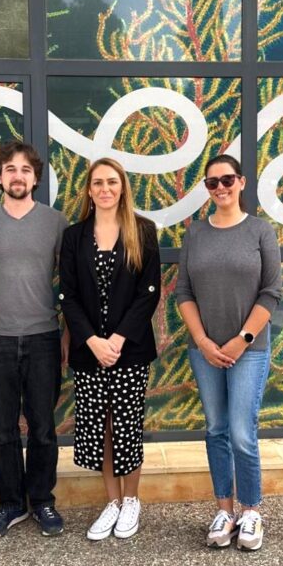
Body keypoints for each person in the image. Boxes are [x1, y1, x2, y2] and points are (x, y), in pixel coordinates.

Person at [175, 154, 282, 552]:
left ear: (241, 182)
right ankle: (224, 510)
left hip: (248, 351)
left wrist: (243, 339)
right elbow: (183, 292)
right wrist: (203, 341)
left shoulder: (260, 231)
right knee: (216, 429)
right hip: (204, 350)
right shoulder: (195, 234)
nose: (220, 187)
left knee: (241, 431)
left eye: (227, 180)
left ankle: (251, 510)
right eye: (212, 182)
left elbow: (271, 292)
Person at [0, 140, 70, 538]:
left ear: (36, 178)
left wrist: (67, 331)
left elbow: (70, 282)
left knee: (43, 426)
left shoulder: (55, 222)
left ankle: (42, 501)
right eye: (10, 168)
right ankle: (11, 504)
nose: (18, 175)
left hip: (43, 337)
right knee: (3, 429)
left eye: (25, 169)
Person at [59, 158, 161, 541]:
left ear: (122, 188)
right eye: (98, 183)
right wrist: (92, 341)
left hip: (129, 350)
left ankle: (131, 500)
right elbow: (68, 296)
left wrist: (117, 340)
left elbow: (148, 292)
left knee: (127, 425)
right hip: (89, 352)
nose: (105, 189)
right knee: (100, 426)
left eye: (112, 182)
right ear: (89, 190)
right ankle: (112, 501)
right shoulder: (74, 236)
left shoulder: (143, 231)